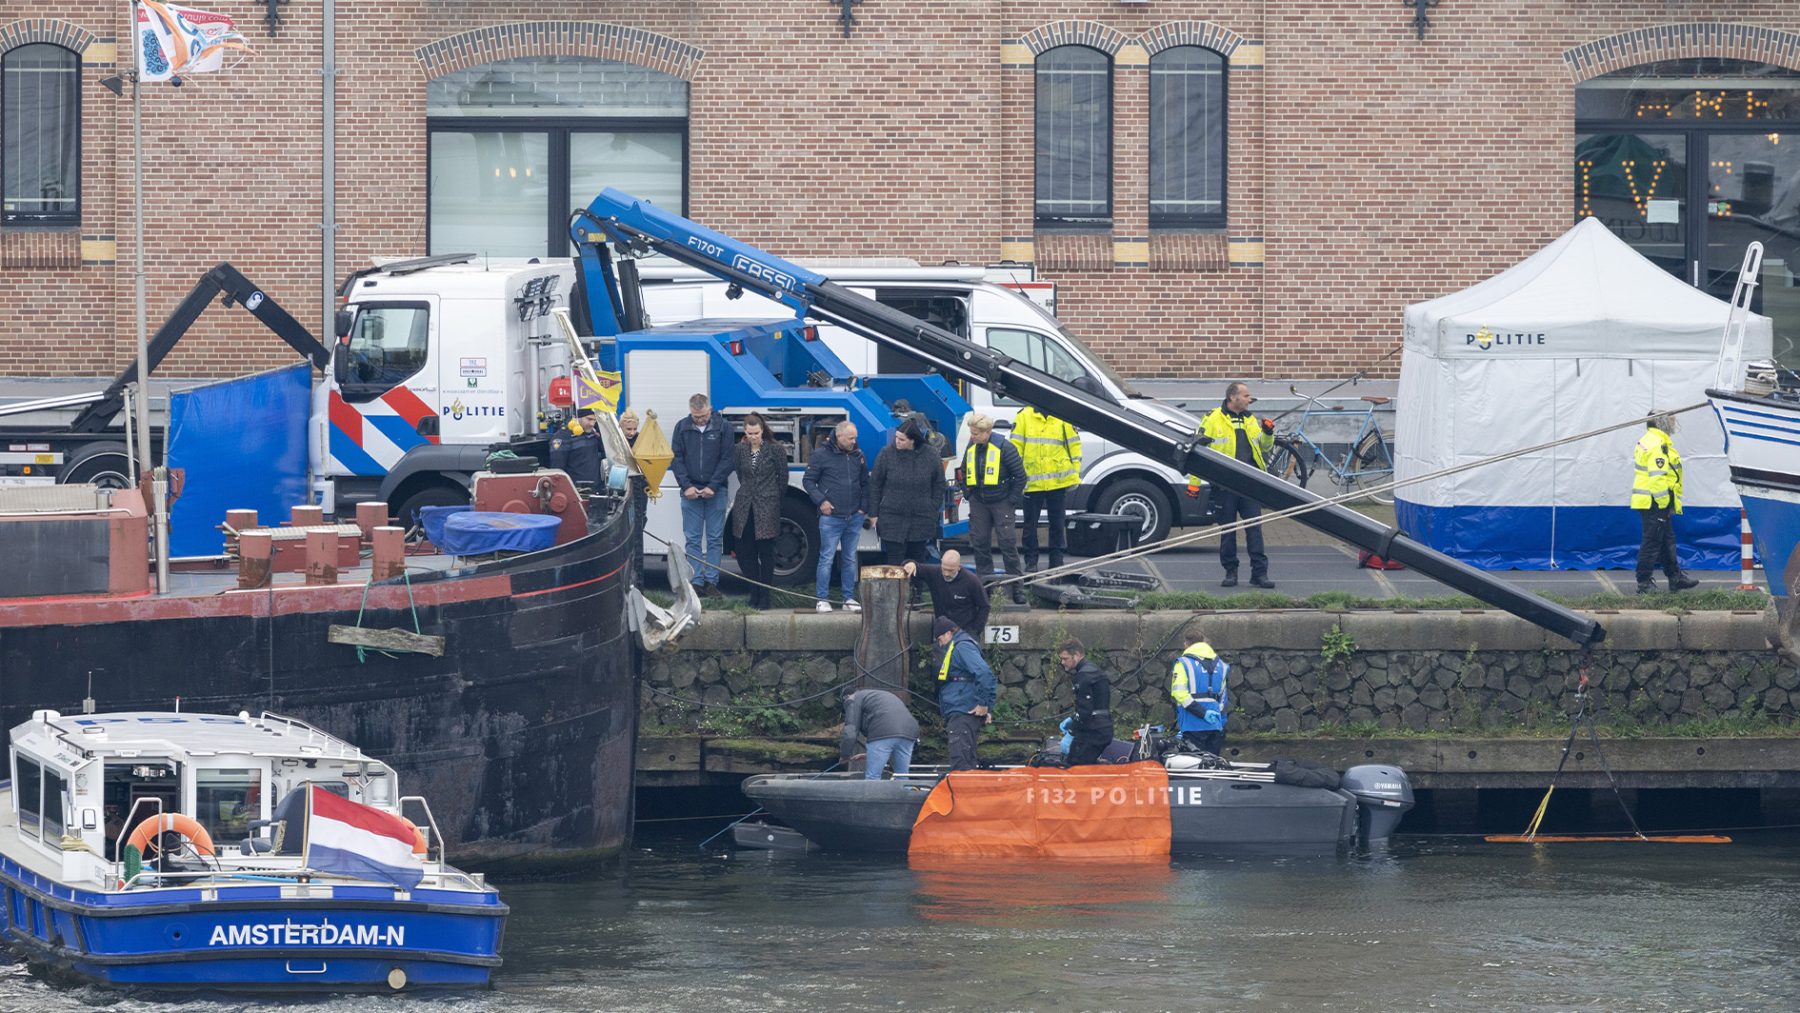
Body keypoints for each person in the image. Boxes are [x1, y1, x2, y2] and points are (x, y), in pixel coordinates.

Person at [1198, 382, 1276, 589]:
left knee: (1254, 530)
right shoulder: (1212, 418)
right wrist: (1194, 484)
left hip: (1249, 483)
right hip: (1224, 484)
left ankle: (1259, 574)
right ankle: (1230, 572)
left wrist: (1268, 432)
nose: (1250, 399)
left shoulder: (1250, 420)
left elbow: (1265, 446)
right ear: (1233, 398)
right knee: (1228, 531)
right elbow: (1197, 451)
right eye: (1246, 395)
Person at [670, 394, 735, 597]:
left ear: (710, 409)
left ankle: (712, 581)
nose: (699, 420)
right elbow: (676, 458)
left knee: (715, 538)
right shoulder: (682, 427)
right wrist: (686, 485)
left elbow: (727, 459)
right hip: (690, 490)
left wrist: (713, 486)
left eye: (703, 416)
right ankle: (696, 581)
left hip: (716, 490)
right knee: (693, 539)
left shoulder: (723, 427)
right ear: (690, 412)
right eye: (696, 417)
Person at [960, 413, 1028, 605]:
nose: (972, 437)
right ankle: (985, 586)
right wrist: (967, 493)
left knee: (1007, 544)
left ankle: (1017, 587)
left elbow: (1020, 477)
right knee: (980, 542)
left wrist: (1012, 500)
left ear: (987, 432)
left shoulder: (1005, 448)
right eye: (971, 433)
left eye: (975, 434)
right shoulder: (971, 447)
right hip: (979, 501)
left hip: (1001, 501)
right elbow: (964, 470)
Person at [1010, 400, 1082, 574]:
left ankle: (1056, 560)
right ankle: (1031, 561)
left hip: (1058, 482)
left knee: (1057, 523)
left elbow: (1074, 446)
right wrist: (1018, 477)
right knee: (1030, 525)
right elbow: (1015, 449)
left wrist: (1074, 474)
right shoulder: (1024, 416)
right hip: (1032, 482)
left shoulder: (1062, 417)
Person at [804, 420, 868, 612]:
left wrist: (863, 508)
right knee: (827, 557)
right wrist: (821, 502)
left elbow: (865, 483)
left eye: (855, 438)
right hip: (831, 517)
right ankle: (822, 599)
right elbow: (809, 481)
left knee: (850, 559)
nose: (854, 441)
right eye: (850, 438)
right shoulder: (821, 455)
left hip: (854, 516)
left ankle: (848, 598)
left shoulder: (858, 455)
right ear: (839, 437)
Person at [1632, 412, 1699, 595]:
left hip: (1651, 501)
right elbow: (1657, 478)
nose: (1673, 424)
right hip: (1655, 502)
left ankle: (1675, 578)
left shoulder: (1650, 440)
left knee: (1666, 540)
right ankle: (1644, 583)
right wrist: (1664, 504)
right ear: (1661, 423)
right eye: (1670, 420)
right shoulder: (1657, 445)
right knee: (1652, 542)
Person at [869, 417, 946, 568]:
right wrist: (874, 513)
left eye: (902, 439)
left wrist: (933, 506)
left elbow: (939, 483)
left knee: (917, 558)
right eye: (896, 438)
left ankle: (916, 590)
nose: (897, 442)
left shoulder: (931, 455)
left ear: (913, 440)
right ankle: (897, 591)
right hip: (892, 516)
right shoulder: (886, 454)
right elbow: (875, 484)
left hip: (921, 516)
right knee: (894, 558)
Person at [729, 413, 787, 609]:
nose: (753, 436)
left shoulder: (775, 449)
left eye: (756, 433)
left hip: (767, 504)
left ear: (762, 431)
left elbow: (782, 478)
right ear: (745, 431)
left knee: (766, 552)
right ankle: (754, 590)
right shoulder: (739, 449)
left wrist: (772, 497)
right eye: (749, 433)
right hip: (745, 504)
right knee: (746, 551)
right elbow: (739, 472)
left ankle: (765, 594)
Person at [933, 616, 996, 771]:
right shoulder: (960, 645)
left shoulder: (962, 647)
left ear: (949, 633)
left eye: (940, 639)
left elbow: (984, 674)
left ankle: (962, 791)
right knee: (967, 758)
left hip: (963, 708)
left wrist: (984, 704)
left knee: (961, 761)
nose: (940, 644)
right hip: (962, 707)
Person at [902, 549, 989, 636]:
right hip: (943, 634)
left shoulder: (971, 581)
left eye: (951, 570)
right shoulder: (934, 573)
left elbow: (984, 606)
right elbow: (917, 567)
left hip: (965, 631)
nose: (946, 574)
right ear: (941, 564)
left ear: (959, 567)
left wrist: (975, 630)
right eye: (944, 569)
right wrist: (911, 564)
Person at [839, 687, 921, 780]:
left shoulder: (852, 699)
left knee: (873, 777)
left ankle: (871, 794)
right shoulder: (878, 695)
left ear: (847, 696)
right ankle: (906, 793)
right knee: (902, 776)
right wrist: (869, 754)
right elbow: (892, 743)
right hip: (909, 732)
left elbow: (851, 731)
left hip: (883, 730)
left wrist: (845, 755)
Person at [1058, 638, 1114, 766]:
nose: (1062, 662)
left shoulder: (1083, 675)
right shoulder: (1093, 670)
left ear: (1077, 655)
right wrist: (1073, 718)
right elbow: (1096, 704)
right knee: (1087, 764)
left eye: (1065, 658)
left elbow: (1085, 710)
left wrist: (1071, 732)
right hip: (1102, 728)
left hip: (1093, 730)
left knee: (1075, 765)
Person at [1170, 641, 1229, 755]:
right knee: (1213, 765)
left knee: (1194, 765)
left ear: (1186, 644)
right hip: (1215, 724)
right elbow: (1223, 698)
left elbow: (1179, 693)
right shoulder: (1221, 665)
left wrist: (1203, 713)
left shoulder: (1183, 663)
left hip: (1192, 724)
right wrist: (1221, 723)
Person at [619, 408, 650, 578]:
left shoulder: (641, 441)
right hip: (621, 486)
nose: (631, 432)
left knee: (640, 521)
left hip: (639, 487)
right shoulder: (615, 442)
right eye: (628, 429)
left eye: (634, 429)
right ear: (621, 427)